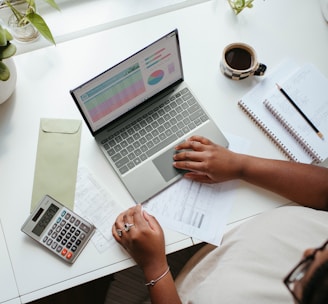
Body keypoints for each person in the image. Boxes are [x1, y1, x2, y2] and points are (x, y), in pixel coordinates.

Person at [112, 136, 328, 304]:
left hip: (175, 280)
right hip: (223, 241)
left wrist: (154, 267)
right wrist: (240, 165)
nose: (308, 251)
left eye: (302, 272)